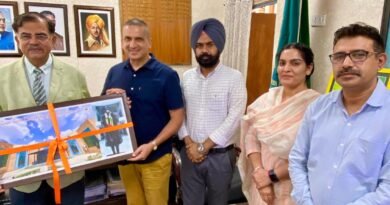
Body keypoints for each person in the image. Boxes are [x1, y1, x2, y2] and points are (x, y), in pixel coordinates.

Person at [289, 23, 390, 205]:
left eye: (359, 55)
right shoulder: (318, 107)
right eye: (339, 56)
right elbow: (297, 159)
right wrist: (305, 201)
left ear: (380, 61)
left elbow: (387, 189)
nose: (346, 63)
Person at [0, 12, 90, 205]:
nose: (33, 42)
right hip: (23, 179)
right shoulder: (2, 78)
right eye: (26, 36)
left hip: (69, 176)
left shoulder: (75, 76)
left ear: (53, 39)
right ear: (17, 39)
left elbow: (87, 117)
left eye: (40, 35)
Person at [101, 18, 184, 205]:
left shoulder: (167, 75)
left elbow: (177, 119)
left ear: (149, 42)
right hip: (125, 158)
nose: (132, 44)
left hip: (155, 157)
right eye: (127, 39)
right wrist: (110, 101)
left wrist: (152, 145)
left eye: (138, 39)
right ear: (122, 41)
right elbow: (102, 114)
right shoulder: (114, 72)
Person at [237, 43, 320, 205]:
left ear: (309, 68)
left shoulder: (317, 106)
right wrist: (260, 173)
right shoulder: (267, 100)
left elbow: (309, 155)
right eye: (282, 63)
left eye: (295, 63)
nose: (286, 68)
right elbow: (251, 138)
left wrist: (270, 177)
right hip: (261, 185)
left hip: (293, 188)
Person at [178, 18, 247, 205]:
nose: (204, 50)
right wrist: (188, 142)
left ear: (219, 46)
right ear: (194, 48)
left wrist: (204, 146)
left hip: (221, 157)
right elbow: (179, 114)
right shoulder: (186, 78)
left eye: (210, 44)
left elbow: (234, 118)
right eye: (199, 45)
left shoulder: (234, 78)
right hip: (190, 153)